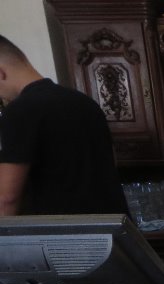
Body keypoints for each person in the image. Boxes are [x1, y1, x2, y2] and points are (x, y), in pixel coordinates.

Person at [0, 35, 128, 216]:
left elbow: (7, 198)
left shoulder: (19, 111)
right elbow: (111, 163)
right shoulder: (85, 102)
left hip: (63, 230)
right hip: (112, 225)